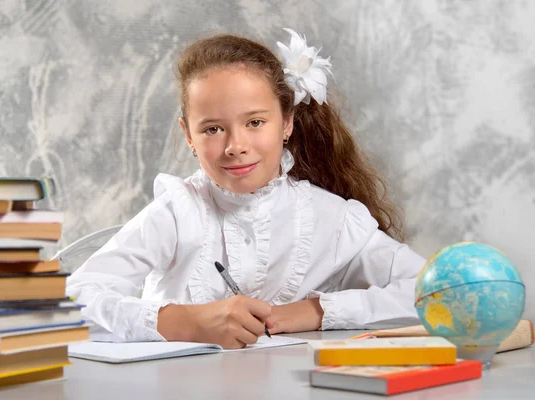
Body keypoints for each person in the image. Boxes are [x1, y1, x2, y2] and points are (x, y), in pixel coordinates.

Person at [66, 28, 426, 349]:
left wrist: (318, 310)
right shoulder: (177, 213)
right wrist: (183, 322)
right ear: (187, 135)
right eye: (212, 129)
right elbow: (69, 302)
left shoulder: (334, 219)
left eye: (255, 122)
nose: (235, 145)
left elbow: (437, 290)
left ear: (286, 122)